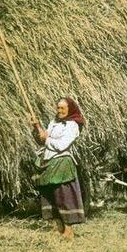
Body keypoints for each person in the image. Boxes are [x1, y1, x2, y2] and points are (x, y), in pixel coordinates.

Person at [31, 96, 86, 238]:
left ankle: (68, 230)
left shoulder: (72, 125)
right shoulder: (53, 122)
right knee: (50, 195)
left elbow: (62, 145)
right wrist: (37, 128)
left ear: (70, 109)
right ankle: (58, 227)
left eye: (63, 108)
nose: (59, 111)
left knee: (64, 196)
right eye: (58, 108)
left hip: (62, 162)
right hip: (49, 161)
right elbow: (42, 140)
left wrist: (46, 139)